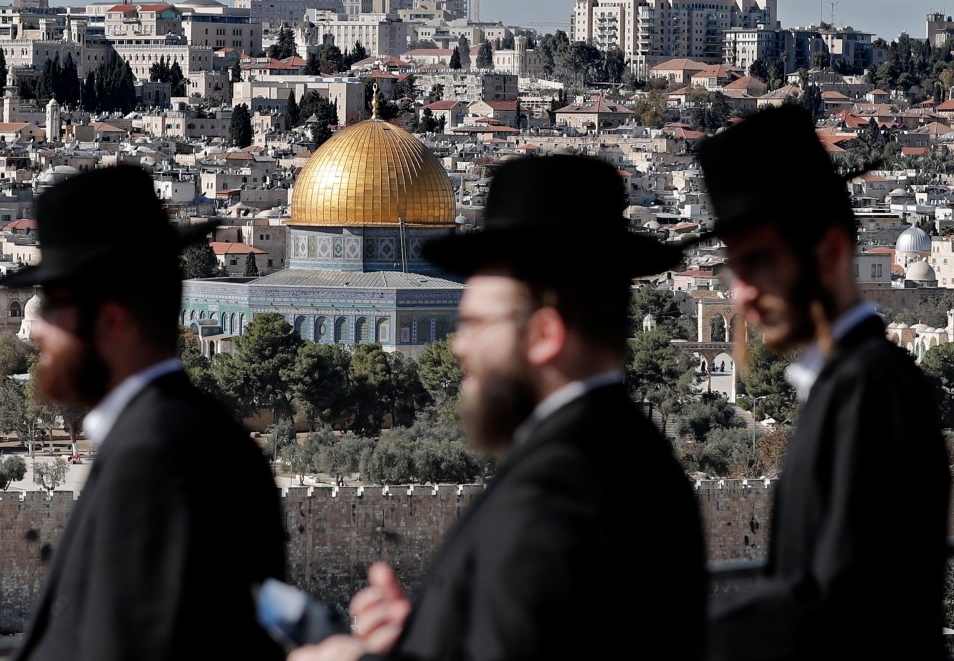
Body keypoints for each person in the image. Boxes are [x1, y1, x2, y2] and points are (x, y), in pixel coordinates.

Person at [286, 154, 709, 661]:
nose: (459, 348)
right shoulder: (627, 455)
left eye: (477, 325)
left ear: (543, 334)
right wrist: (426, 634)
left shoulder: (556, 495)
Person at [0, 165, 288, 661]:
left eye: (55, 306)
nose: (37, 330)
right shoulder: (184, 435)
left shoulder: (158, 458)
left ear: (111, 321)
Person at [696, 103, 951, 661]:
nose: (740, 294)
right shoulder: (849, 385)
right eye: (734, 269)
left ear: (831, 252)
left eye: (758, 263)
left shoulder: (870, 392)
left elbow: (842, 607)